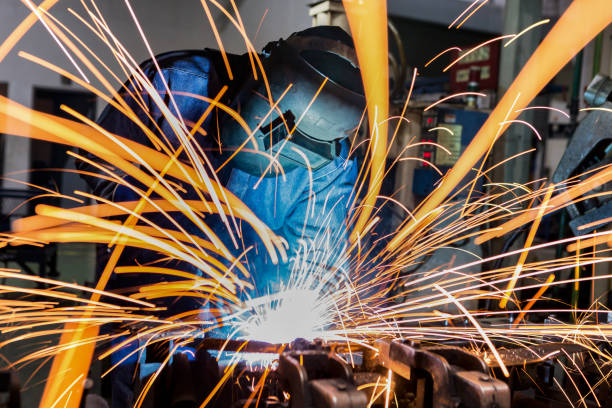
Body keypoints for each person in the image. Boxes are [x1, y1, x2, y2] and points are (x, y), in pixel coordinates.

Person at [77, 25, 365, 407]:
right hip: (147, 320)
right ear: (261, 73)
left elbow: (315, 259)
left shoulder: (333, 162)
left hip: (241, 342)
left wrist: (287, 312)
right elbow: (101, 171)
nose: (276, 150)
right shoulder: (172, 86)